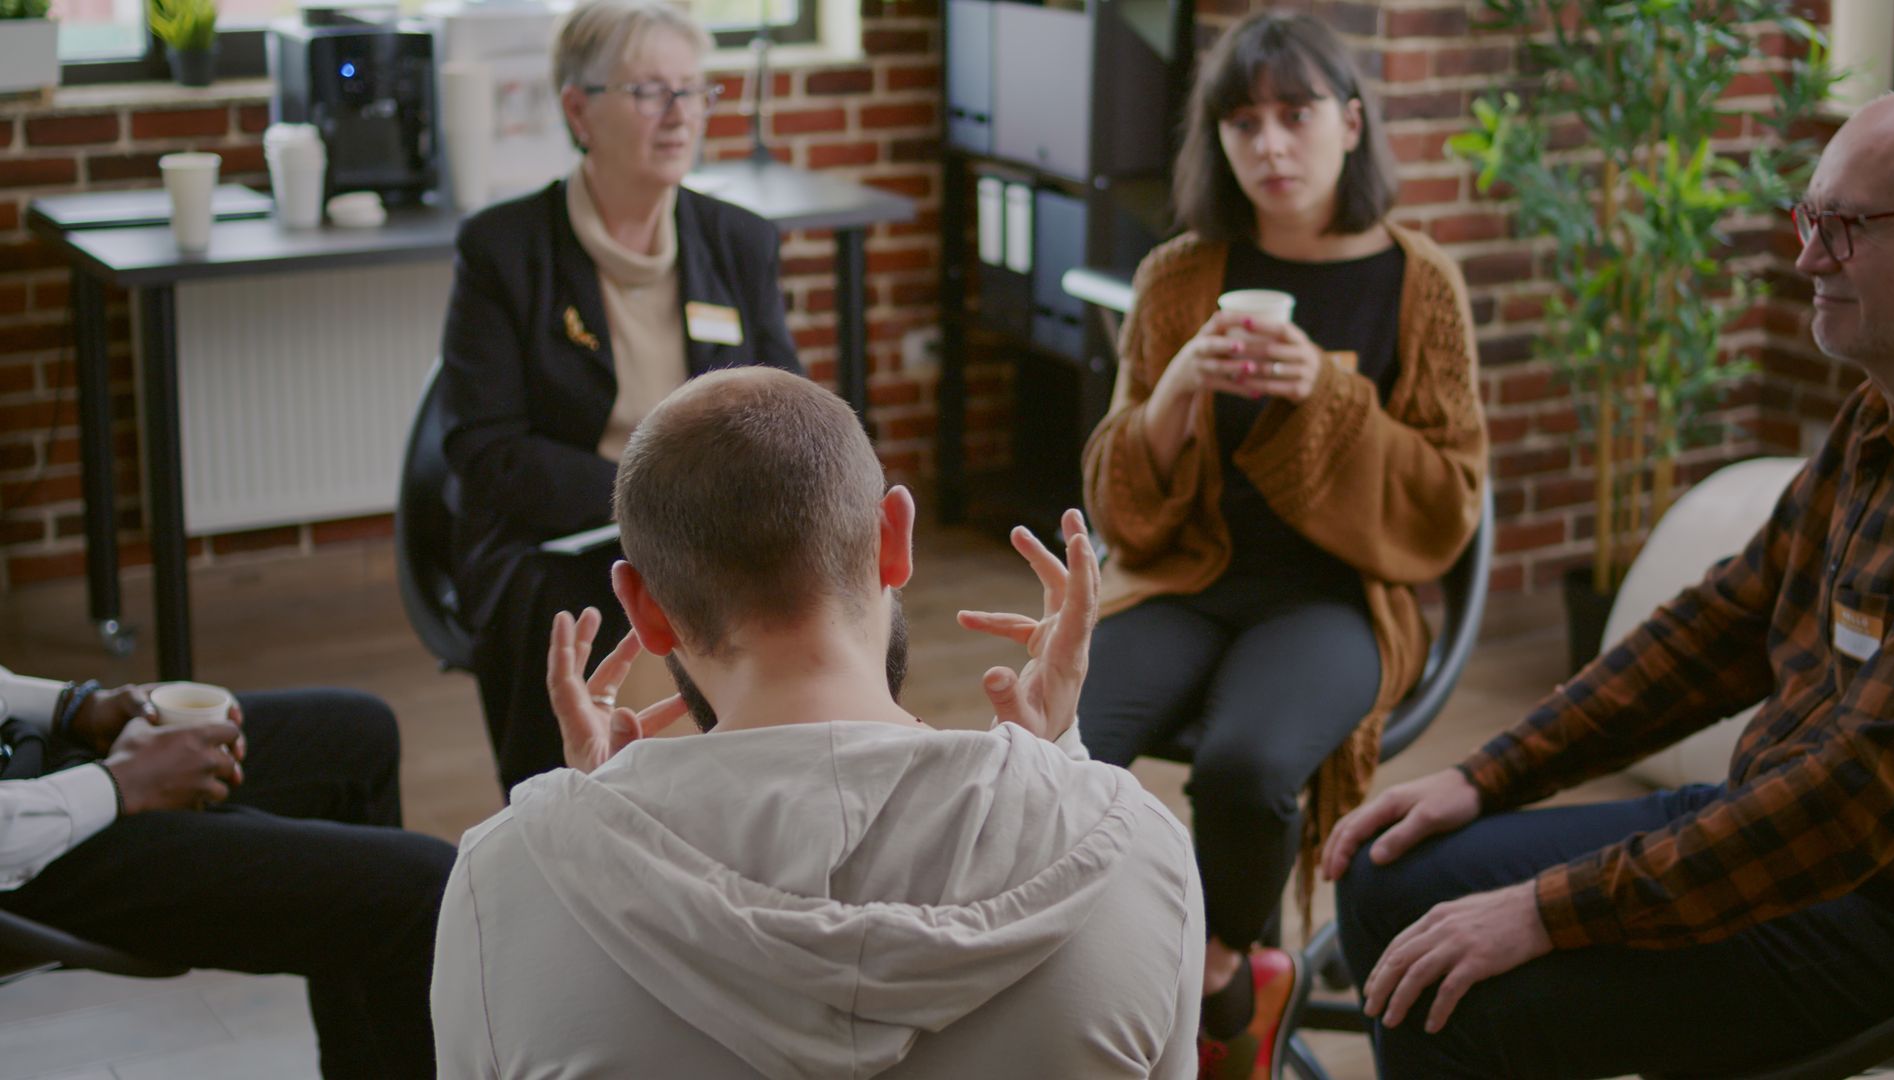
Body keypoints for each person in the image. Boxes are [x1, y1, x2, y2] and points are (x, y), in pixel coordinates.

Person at [1325, 89, 1894, 1079]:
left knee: (1454, 1000)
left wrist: (1548, 912)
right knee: (1392, 875)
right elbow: (1723, 625)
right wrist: (1486, 776)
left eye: (1848, 228)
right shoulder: (1875, 420)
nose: (1809, 257)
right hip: (1766, 831)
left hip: (1879, 913)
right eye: (1810, 217)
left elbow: (1852, 800)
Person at [430, 368, 1204, 1078]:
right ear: (894, 540)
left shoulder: (504, 882)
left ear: (645, 609)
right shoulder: (1142, 853)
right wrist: (1056, 769)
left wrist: (598, 820)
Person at [1077, 9, 1486, 1050]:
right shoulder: (1180, 275)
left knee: (1247, 770)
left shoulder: (1418, 283)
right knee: (1055, 743)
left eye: (1295, 115)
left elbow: (1447, 503)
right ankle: (1091, 950)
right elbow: (1121, 510)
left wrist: (1331, 402)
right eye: (1241, 122)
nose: (1268, 144)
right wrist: (1172, 390)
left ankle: (1221, 979)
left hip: (1337, 595)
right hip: (1188, 575)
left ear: (1350, 124)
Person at [440, 0, 801, 796]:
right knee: (598, 603)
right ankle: (584, 822)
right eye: (649, 93)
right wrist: (656, 508)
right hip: (558, 533)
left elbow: (787, 412)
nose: (680, 116)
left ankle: (770, 813)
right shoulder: (505, 250)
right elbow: (486, 450)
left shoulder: (739, 241)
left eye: (694, 91)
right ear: (578, 108)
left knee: (820, 590)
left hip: (711, 526)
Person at [0, 671, 455, 1078]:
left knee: (360, 732)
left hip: (28, 763)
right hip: (26, 848)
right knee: (423, 889)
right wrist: (121, 782)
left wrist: (73, 706)